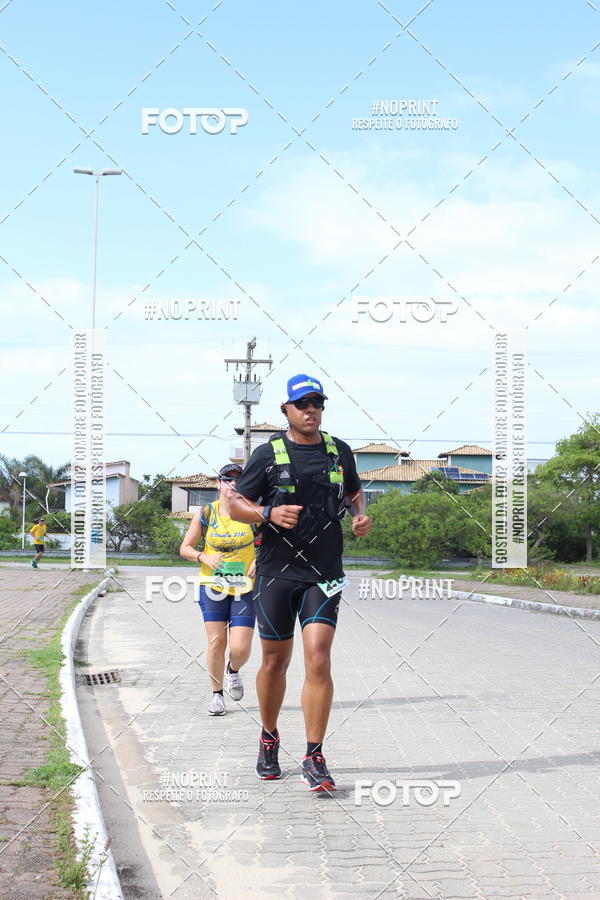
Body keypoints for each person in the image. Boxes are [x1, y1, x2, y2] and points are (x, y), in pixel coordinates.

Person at [229, 374, 372, 791]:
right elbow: (237, 504)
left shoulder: (339, 452)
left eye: (318, 403)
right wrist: (268, 514)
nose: (311, 410)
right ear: (286, 410)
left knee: (319, 658)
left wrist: (361, 515)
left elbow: (355, 493)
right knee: (274, 662)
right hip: (275, 572)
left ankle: (314, 755)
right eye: (303, 404)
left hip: (324, 573)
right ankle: (269, 738)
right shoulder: (267, 455)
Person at [180, 464, 257, 716]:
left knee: (240, 648)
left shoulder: (253, 511)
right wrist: (204, 557)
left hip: (244, 587)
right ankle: (216, 696)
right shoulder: (206, 512)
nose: (233, 485)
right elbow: (186, 548)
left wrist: (260, 560)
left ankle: (232, 671)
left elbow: (271, 542)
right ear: (219, 484)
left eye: (238, 481)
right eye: (227, 480)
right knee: (216, 643)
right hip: (212, 587)